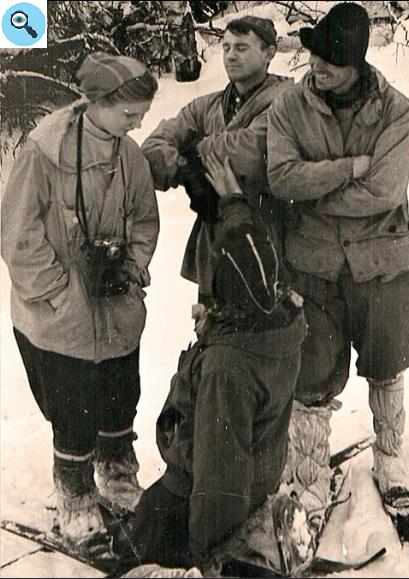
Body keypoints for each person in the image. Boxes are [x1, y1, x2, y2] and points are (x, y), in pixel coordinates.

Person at [267, 2, 409, 517]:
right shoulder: (289, 108)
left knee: (387, 362)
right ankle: (310, 476)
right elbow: (282, 178)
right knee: (310, 377)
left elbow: (384, 189)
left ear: (357, 63)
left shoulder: (397, 110)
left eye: (331, 61)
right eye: (314, 56)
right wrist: (348, 168)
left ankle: (391, 457)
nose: (317, 67)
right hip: (312, 263)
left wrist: (317, 193)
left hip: (384, 258)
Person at [115, 154, 308, 577]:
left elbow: (220, 474)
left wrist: (209, 558)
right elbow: (248, 242)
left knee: (136, 542)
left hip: (201, 488)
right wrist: (234, 202)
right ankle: (254, 529)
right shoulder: (279, 314)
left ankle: (226, 554)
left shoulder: (228, 367)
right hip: (259, 472)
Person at [1, 53, 160, 550]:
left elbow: (144, 219)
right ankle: (74, 497)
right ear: (99, 102)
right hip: (60, 313)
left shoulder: (127, 154)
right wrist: (57, 291)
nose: (139, 124)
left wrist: (131, 268)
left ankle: (116, 475)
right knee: (72, 409)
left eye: (142, 114)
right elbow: (18, 232)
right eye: (130, 113)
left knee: (119, 392)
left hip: (115, 307)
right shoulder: (45, 151)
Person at [140, 15, 294, 302]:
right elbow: (151, 148)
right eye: (226, 47)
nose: (231, 56)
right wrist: (187, 172)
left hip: (269, 235)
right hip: (215, 239)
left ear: (268, 54)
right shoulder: (207, 106)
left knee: (267, 328)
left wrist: (192, 149)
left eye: (241, 48)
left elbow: (248, 153)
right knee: (214, 329)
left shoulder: (286, 102)